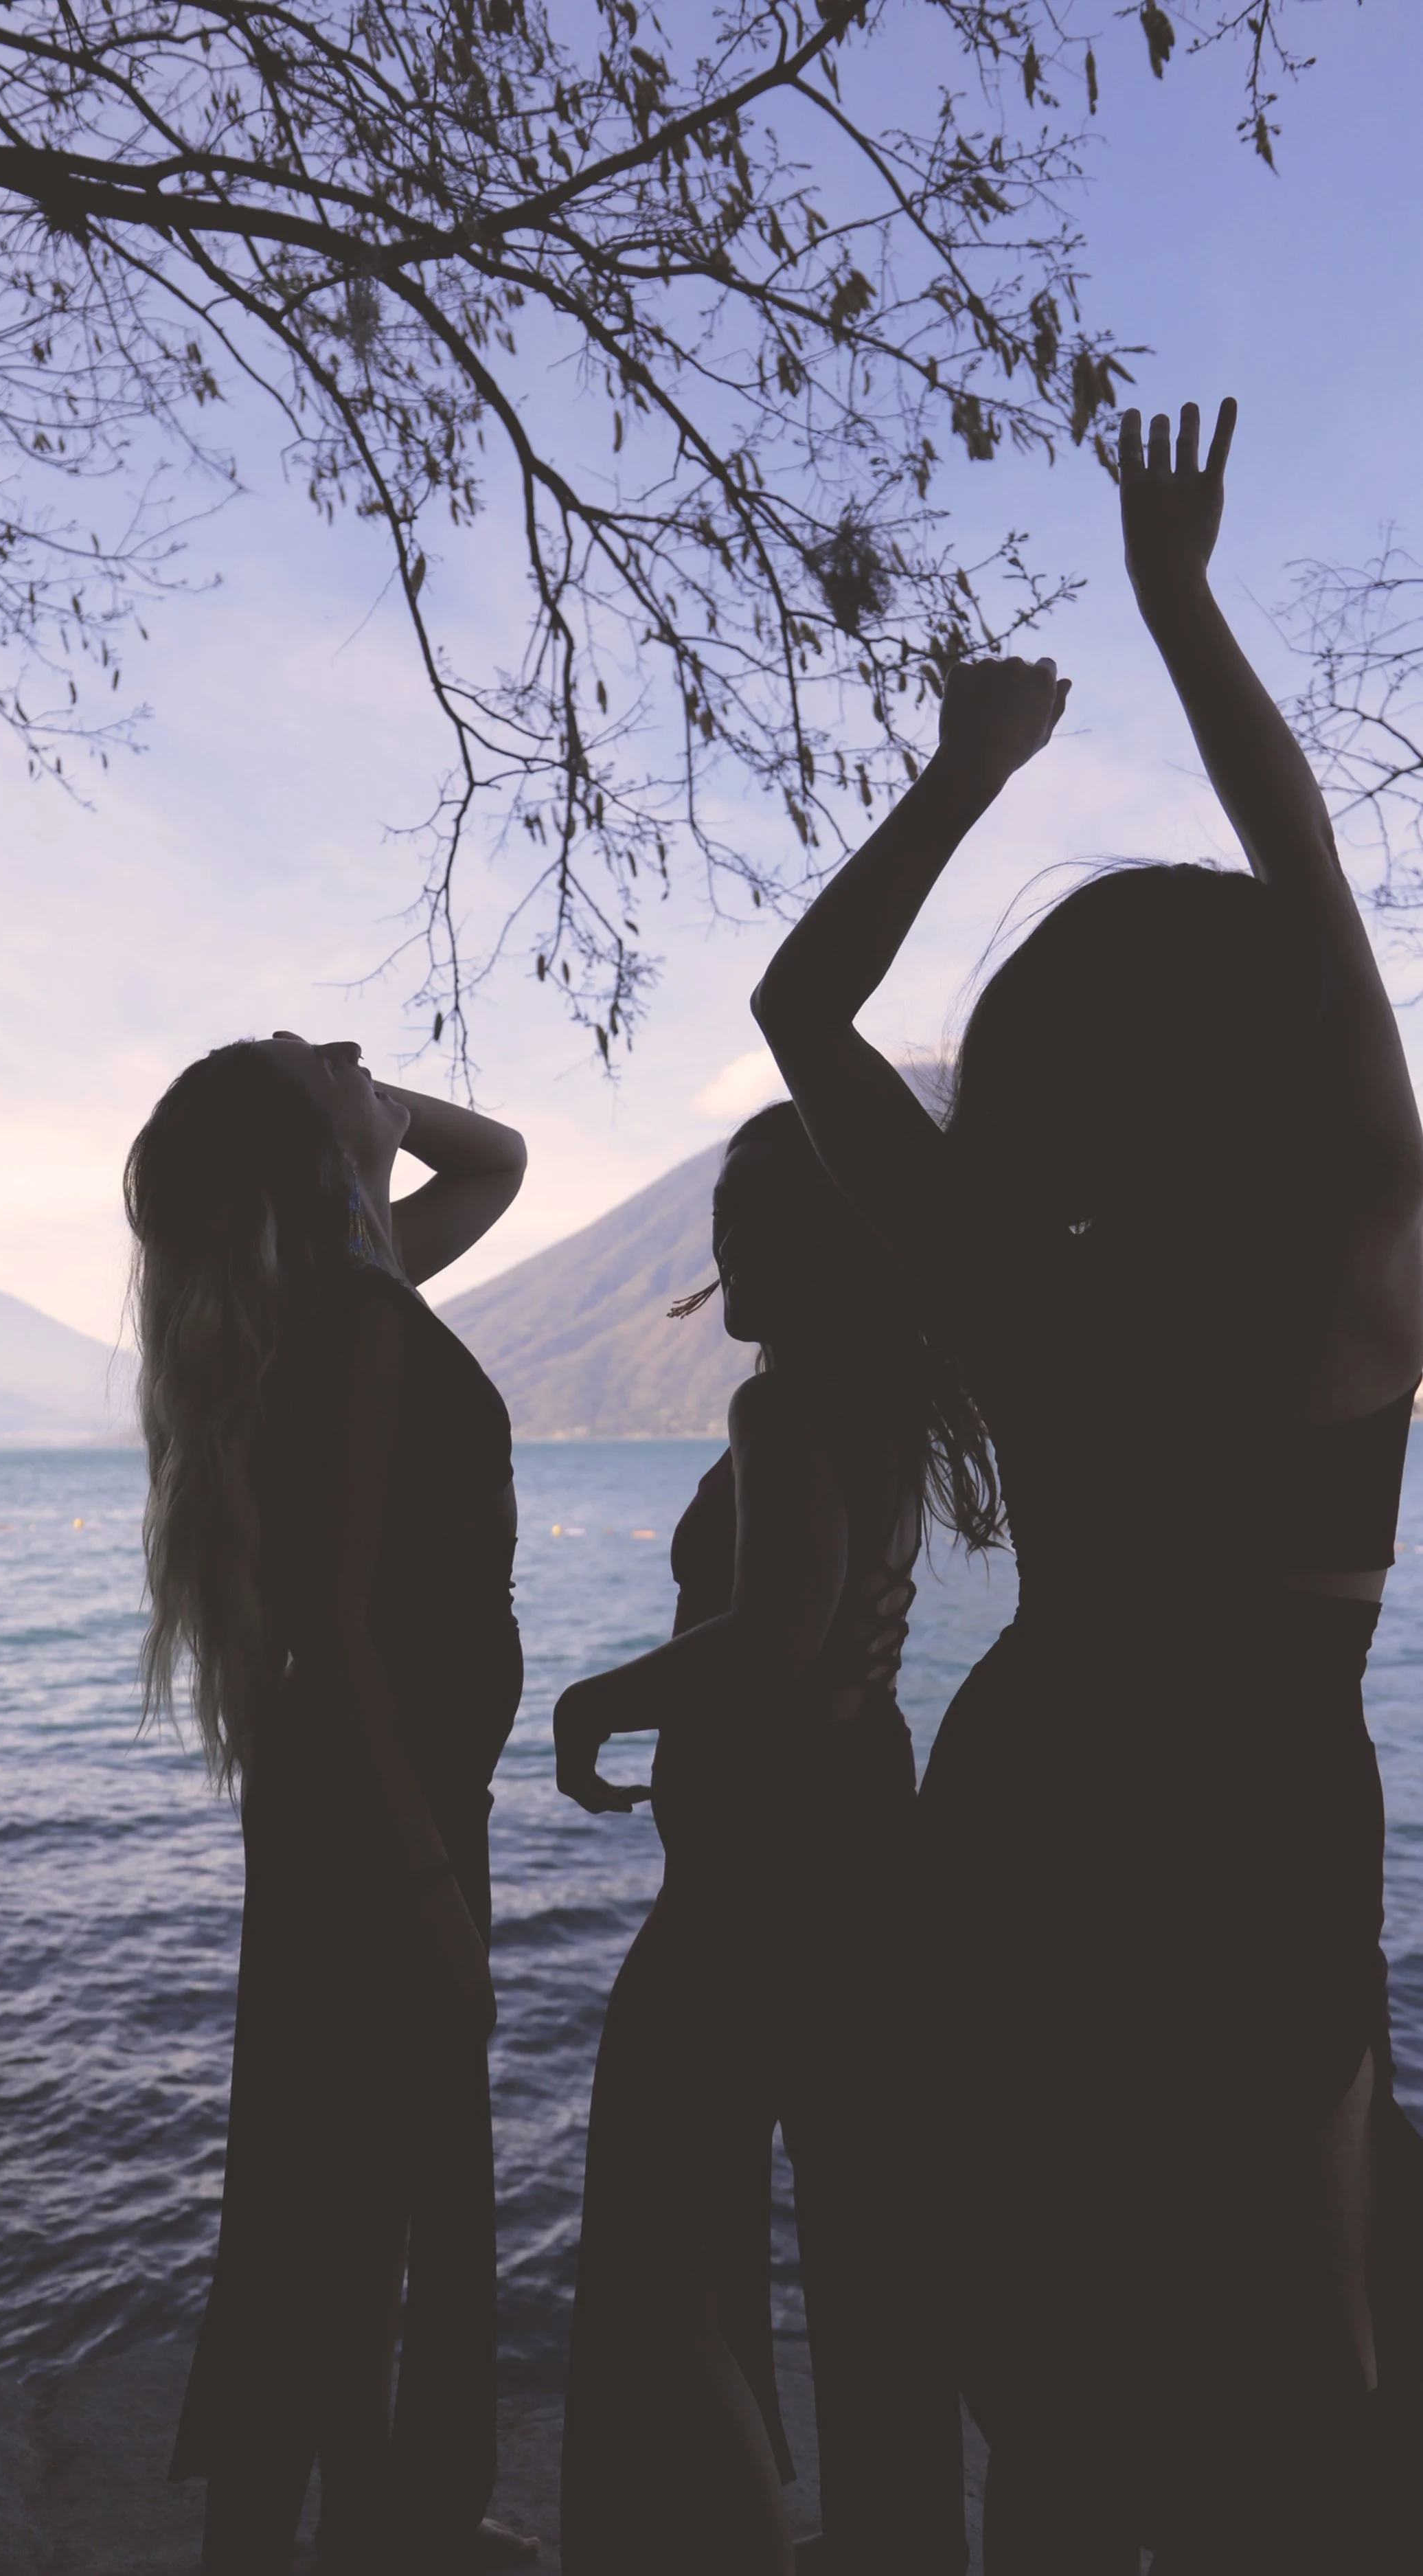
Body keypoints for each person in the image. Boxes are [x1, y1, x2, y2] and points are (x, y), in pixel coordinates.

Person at [751, 399, 1423, 2572]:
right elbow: (1314, 880)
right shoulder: (1349, 1273)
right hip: (1253, 1821)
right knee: (1297, 2374)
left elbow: (801, 1001)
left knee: (1048, 2390)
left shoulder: (1012, 1289)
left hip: (1028, 1804)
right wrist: (1174, 598)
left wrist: (964, 771)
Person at [552, 1100, 999, 2576]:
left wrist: (592, 1700)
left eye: (749, 1217)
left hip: (757, 1889)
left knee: (648, 2265)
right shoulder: (880, 1400)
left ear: (820, 1243)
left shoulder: (781, 1405)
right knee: (873, 2261)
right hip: (862, 1852)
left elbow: (775, 1641)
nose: (719, 1241)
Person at [125, 1032, 540, 2576]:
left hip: (371, 1804)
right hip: (390, 1820)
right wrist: (429, 1884)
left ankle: (358, 2526)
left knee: (332, 2191)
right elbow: (338, 1616)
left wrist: (356, 1120)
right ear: (305, 1160)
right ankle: (369, 2529)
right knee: (356, 2201)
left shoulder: (345, 1287)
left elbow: (495, 1163)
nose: (358, 1045)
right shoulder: (359, 1312)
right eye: (322, 1059)